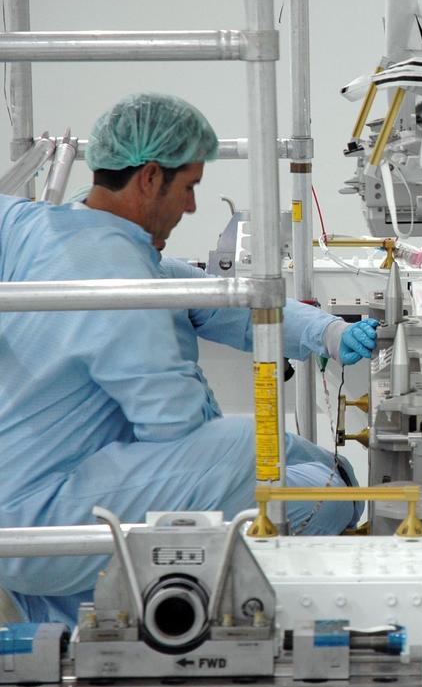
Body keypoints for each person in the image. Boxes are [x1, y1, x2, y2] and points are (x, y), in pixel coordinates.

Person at [0, 93, 380, 627]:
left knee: (295, 454)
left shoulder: (39, 226)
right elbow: (181, 431)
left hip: (42, 485)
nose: (193, 207)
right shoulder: (124, 286)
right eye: (190, 187)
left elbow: (235, 306)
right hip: (44, 522)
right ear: (150, 178)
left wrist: (330, 333)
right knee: (258, 449)